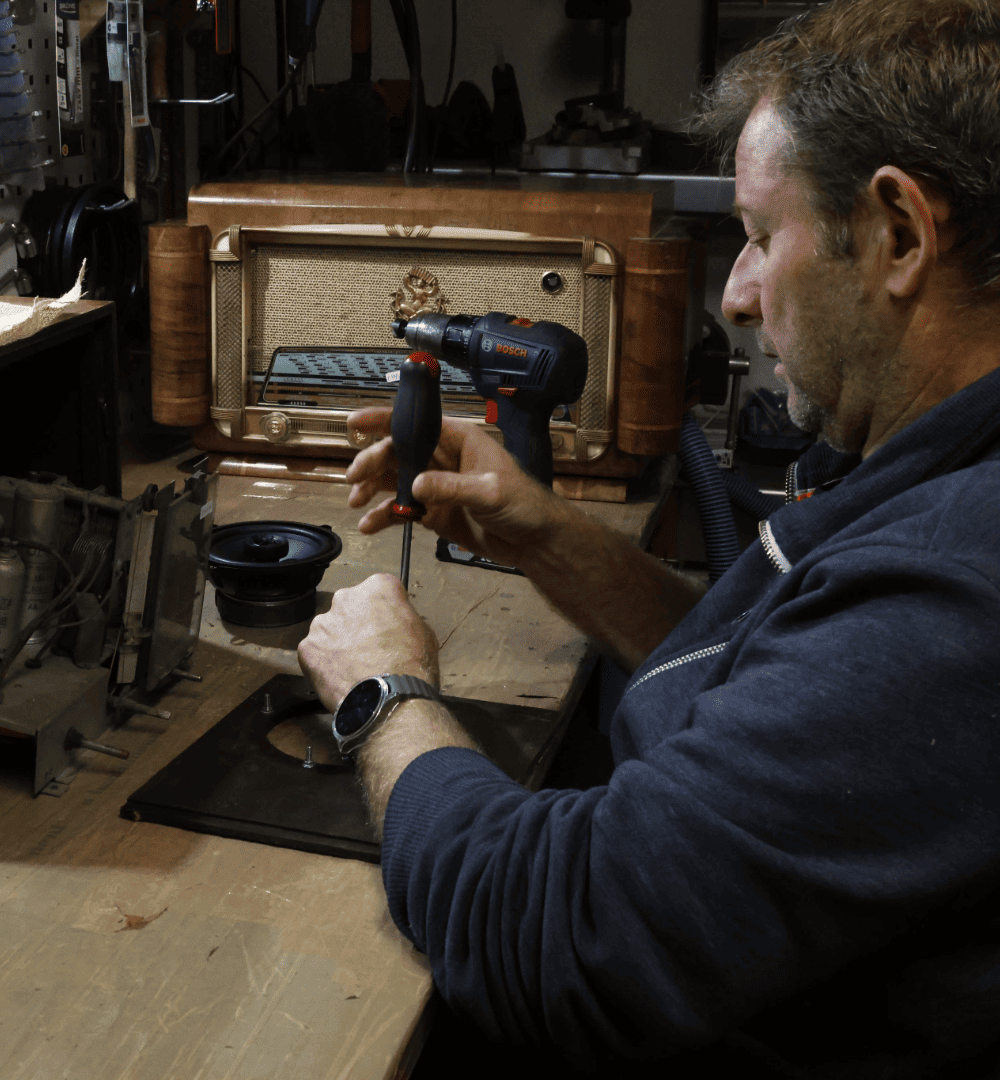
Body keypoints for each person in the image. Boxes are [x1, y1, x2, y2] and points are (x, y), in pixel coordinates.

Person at [297, 0, 1000, 1074]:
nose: (737, 296)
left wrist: (383, 694)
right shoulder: (922, 476)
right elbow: (772, 659)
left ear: (900, 234)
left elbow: (554, 933)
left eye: (762, 238)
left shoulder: (951, 590)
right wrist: (543, 536)